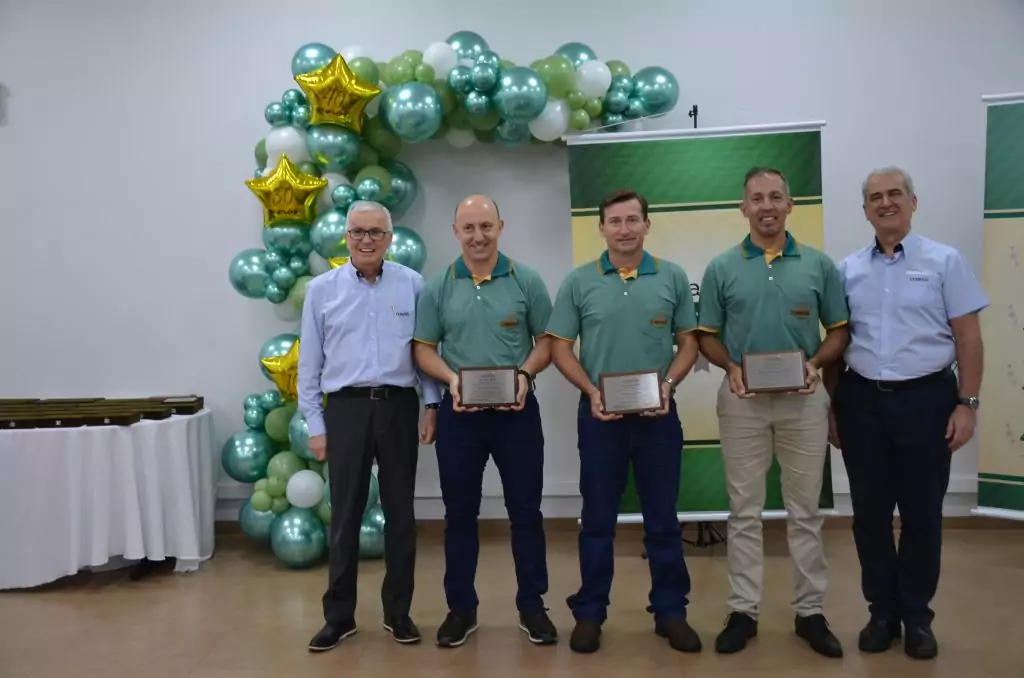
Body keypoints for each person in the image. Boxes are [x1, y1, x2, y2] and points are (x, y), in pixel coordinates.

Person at [826, 166, 988, 660]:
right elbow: (837, 343)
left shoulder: (945, 261)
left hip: (927, 401)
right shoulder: (847, 269)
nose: (886, 202)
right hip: (862, 403)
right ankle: (882, 613)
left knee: (921, 514)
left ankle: (917, 616)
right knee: (869, 515)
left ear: (913, 202)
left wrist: (968, 403)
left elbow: (968, 337)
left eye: (895, 193)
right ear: (865, 210)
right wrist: (834, 407)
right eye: (875, 196)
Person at [695, 167, 848, 659]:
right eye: (757, 198)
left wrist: (816, 364)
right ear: (743, 208)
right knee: (744, 512)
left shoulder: (819, 265)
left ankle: (810, 612)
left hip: (805, 402)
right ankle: (743, 610)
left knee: (806, 512)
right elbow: (707, 336)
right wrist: (730, 367)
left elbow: (840, 332)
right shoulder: (721, 267)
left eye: (775, 197)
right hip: (742, 402)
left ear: (790, 204)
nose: (766, 206)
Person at [545, 189, 702, 655]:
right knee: (597, 520)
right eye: (615, 221)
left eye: (633, 219)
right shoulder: (579, 282)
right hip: (600, 418)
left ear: (647, 225)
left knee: (663, 521)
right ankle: (590, 612)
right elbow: (559, 348)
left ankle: (671, 612)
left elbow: (689, 344)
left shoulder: (672, 277)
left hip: (659, 419)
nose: (625, 228)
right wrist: (592, 392)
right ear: (602, 228)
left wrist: (669, 386)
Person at [412, 195, 558, 648]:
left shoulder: (527, 281)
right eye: (469, 227)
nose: (478, 236)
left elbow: (548, 342)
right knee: (459, 516)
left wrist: (525, 375)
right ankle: (461, 609)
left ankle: (532, 606)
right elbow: (423, 350)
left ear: (501, 227)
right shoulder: (438, 287)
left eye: (486, 227)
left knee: (527, 514)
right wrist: (451, 381)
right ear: (455, 231)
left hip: (517, 414)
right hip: (460, 418)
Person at [298, 200, 441, 652]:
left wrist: (431, 404)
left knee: (401, 515)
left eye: (375, 233)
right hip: (346, 410)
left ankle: (398, 613)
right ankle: (338, 616)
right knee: (344, 517)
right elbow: (309, 365)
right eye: (358, 232)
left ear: (390, 238)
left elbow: (423, 353)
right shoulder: (322, 290)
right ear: (346, 237)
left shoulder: (413, 285)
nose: (366, 240)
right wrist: (315, 425)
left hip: (398, 407)